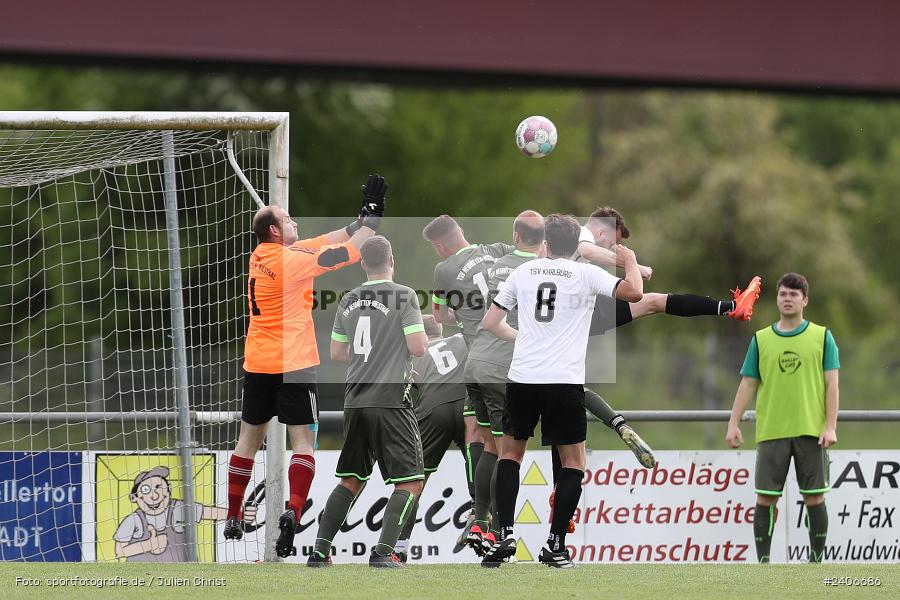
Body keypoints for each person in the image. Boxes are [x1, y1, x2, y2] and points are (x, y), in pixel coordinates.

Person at [223, 174, 387, 561]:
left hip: (257, 363)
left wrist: (358, 221)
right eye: (290, 219)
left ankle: (233, 514)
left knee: (247, 440)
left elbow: (322, 241)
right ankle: (293, 510)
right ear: (277, 230)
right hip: (294, 363)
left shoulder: (261, 255)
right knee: (303, 443)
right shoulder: (291, 263)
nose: (297, 223)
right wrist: (373, 226)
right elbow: (342, 255)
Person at [480, 214, 643, 568]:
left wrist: (521, 337)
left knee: (510, 456)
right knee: (573, 463)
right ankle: (555, 545)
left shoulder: (523, 272)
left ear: (545, 245)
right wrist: (629, 261)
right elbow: (634, 293)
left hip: (523, 378)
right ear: (576, 246)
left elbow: (490, 323)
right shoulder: (586, 273)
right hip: (564, 382)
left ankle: (504, 535)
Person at [308, 236, 427, 568]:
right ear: (392, 261)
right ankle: (384, 551)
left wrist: (372, 358)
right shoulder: (404, 295)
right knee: (411, 482)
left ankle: (319, 553)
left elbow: (336, 353)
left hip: (355, 400)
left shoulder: (348, 299)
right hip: (391, 401)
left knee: (351, 479)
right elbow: (417, 347)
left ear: (362, 263)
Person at [726, 272, 839, 563]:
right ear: (777, 299)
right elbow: (747, 384)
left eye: (793, 294)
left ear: (805, 300)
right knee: (765, 498)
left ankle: (815, 562)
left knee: (814, 497)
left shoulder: (822, 337)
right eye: (783, 294)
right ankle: (764, 564)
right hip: (771, 430)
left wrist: (830, 427)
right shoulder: (761, 339)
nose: (787, 299)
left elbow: (832, 385)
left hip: (811, 431)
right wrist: (733, 423)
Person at [422, 215, 514, 539]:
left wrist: (460, 312)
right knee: (504, 444)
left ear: (440, 245)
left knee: (479, 435)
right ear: (461, 231)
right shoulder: (500, 250)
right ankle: (495, 525)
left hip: (479, 361)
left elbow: (438, 316)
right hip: (512, 355)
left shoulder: (444, 270)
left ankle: (485, 519)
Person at [393, 315, 469, 562]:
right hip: (467, 404)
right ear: (441, 328)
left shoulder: (414, 354)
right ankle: (484, 521)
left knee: (415, 479)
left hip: (434, 408)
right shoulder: (460, 339)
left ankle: (400, 546)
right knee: (483, 458)